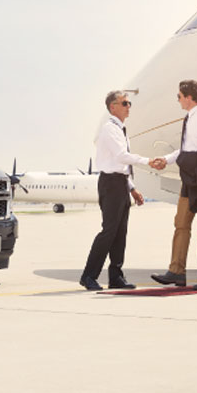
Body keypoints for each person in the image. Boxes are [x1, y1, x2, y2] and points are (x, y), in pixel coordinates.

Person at [148, 79, 197, 290]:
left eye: (179, 96)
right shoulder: (189, 118)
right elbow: (186, 150)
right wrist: (167, 159)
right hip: (189, 179)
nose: (178, 100)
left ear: (189, 97)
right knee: (181, 224)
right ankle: (176, 272)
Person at [80, 91, 150, 291]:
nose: (129, 106)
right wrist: (148, 161)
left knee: (120, 232)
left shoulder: (121, 129)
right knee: (109, 231)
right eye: (125, 103)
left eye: (129, 103)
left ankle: (116, 276)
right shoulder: (110, 129)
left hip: (120, 183)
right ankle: (88, 276)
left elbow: (121, 167)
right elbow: (121, 156)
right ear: (113, 107)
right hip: (110, 184)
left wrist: (133, 189)